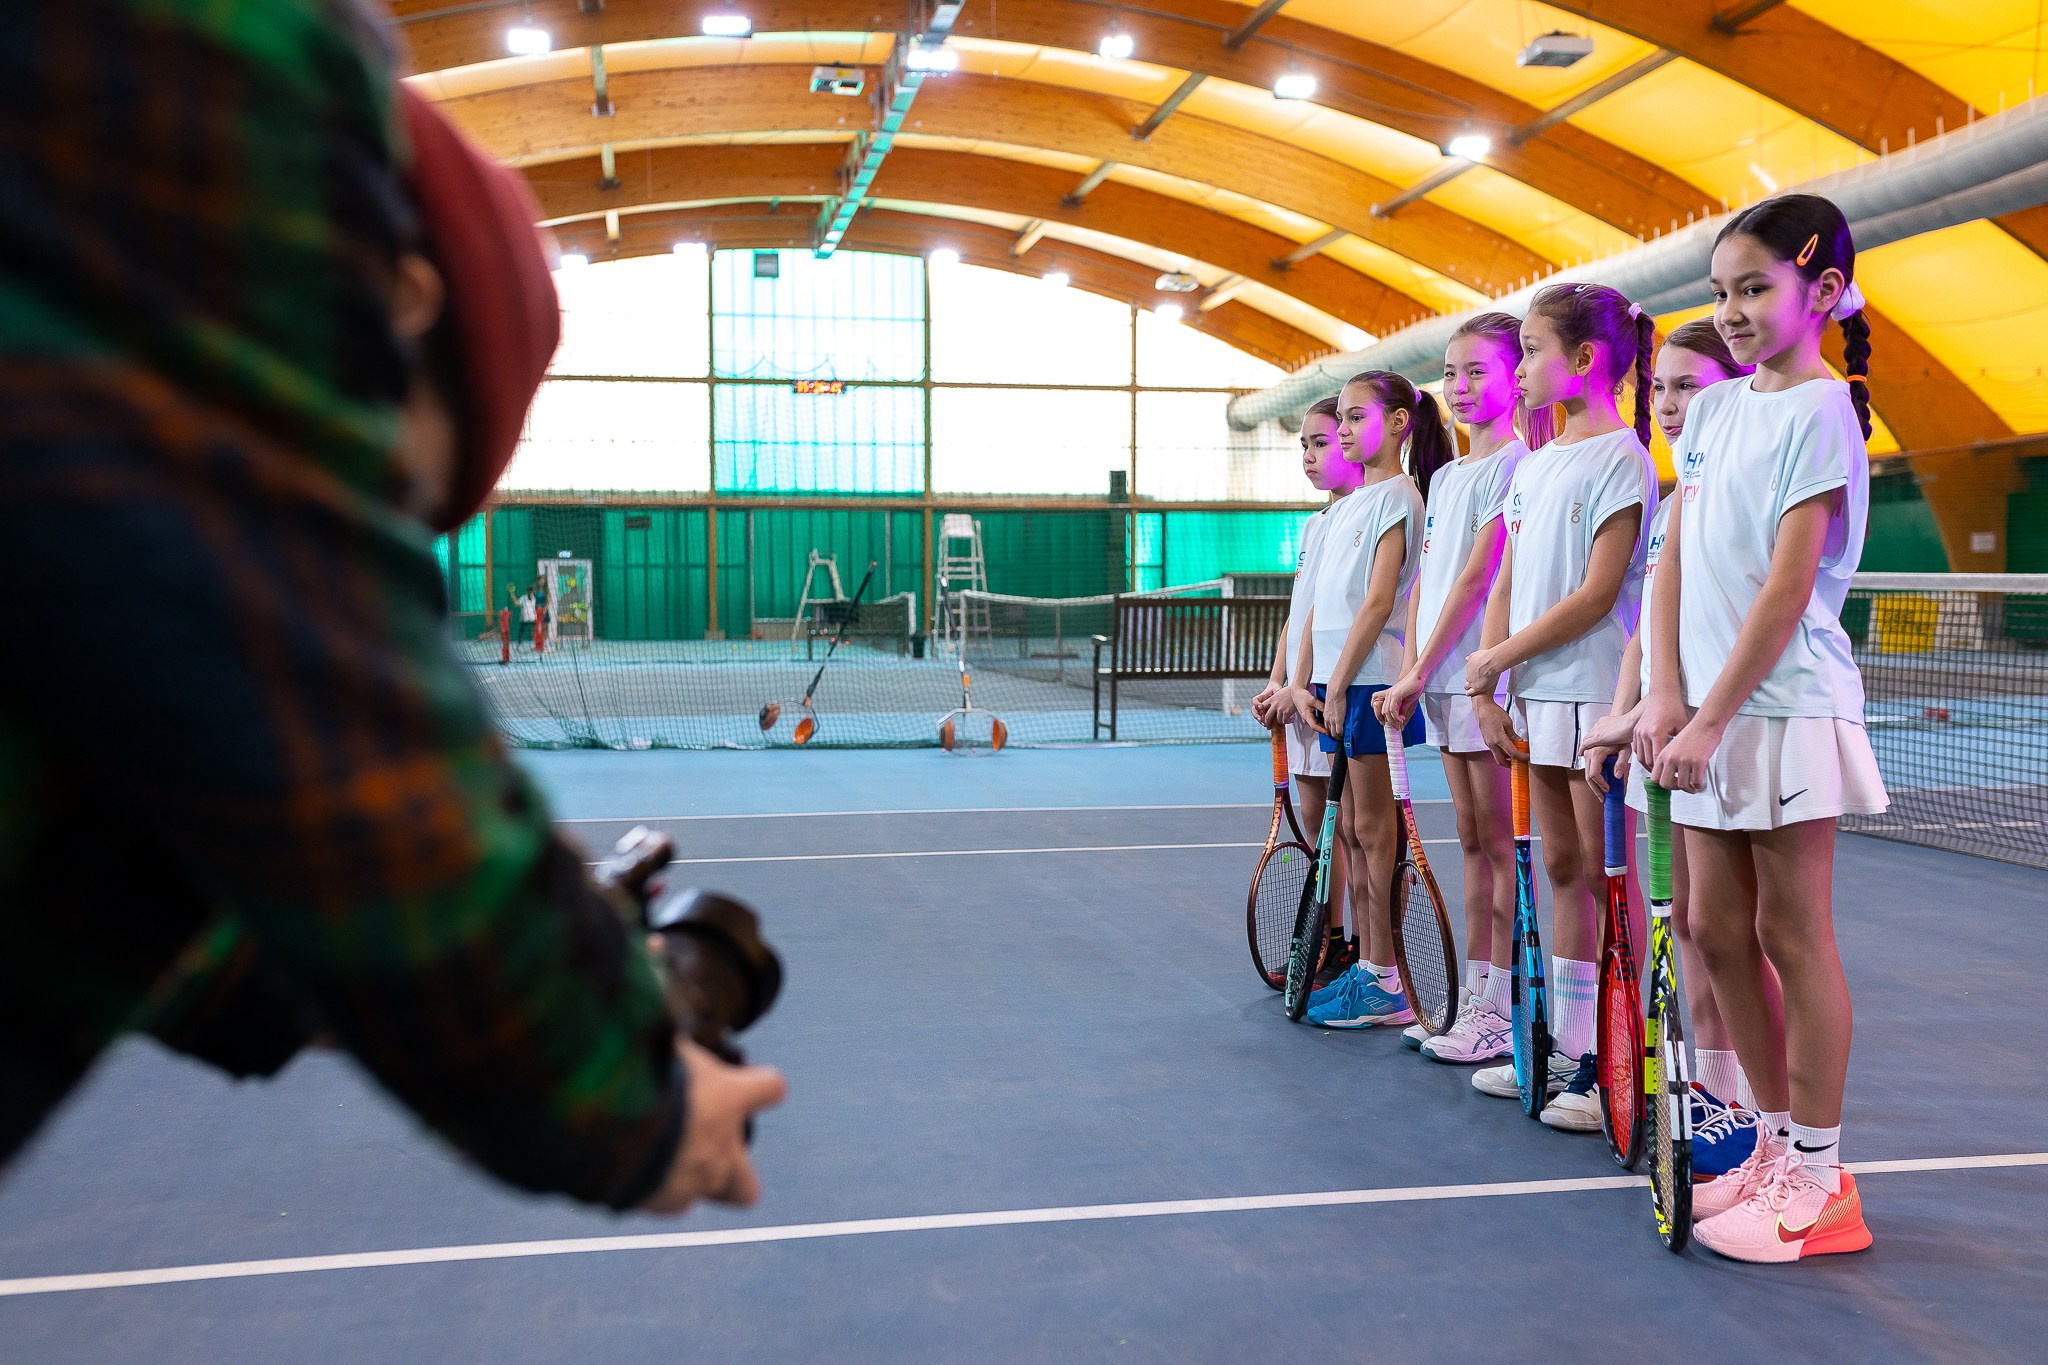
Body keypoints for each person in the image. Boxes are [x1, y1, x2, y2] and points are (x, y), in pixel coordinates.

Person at [0, 1, 782, 1214]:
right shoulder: (216, 113)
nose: (375, 536)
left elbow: (130, 778)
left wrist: (305, 988)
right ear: (401, 298)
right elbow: (318, 724)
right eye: (393, 488)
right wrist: (636, 1096)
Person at [1636, 193, 1884, 1263]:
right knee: (1717, 932)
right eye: (1720, 293)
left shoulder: (1822, 412)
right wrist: (1658, 695)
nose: (1731, 312)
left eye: (1754, 288)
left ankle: (1821, 1184)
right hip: (1700, 716)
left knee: (1791, 934)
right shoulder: (1721, 409)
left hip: (1781, 711)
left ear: (1819, 292)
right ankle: (1774, 1149)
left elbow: (1784, 591)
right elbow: (1674, 557)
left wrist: (1710, 714)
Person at [1580, 320, 1777, 1181]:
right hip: (1657, 739)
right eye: (1660, 389)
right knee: (1692, 927)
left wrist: (1683, 713)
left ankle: (1741, 1103)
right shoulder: (1669, 504)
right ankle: (1709, 1089)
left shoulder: (1732, 491)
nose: (1666, 405)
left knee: (1723, 929)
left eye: (1687, 387)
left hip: (1719, 735)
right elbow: (1642, 635)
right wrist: (1620, 716)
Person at [1462, 283, 1657, 1132]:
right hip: (1536, 699)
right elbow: (1505, 578)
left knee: (1609, 873)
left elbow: (1596, 593)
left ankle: (1626, 1053)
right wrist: (1495, 681)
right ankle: (1573, 1046)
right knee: (1561, 870)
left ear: (1584, 360)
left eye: (1535, 349)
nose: (1524, 366)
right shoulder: (1533, 466)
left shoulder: (1625, 459)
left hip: (1595, 693)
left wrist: (1497, 657)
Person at [1373, 314, 1542, 1062]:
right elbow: (1426, 587)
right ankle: (1477, 994)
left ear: (1516, 377)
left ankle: (1503, 1002)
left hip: (1483, 684)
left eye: (1478, 371)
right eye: (1451, 373)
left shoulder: (1517, 465)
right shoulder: (1442, 477)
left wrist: (1423, 669)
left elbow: (1476, 582)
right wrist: (1410, 668)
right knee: (1472, 841)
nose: (1462, 386)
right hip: (1436, 683)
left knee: (1501, 848)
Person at [1289, 372, 1445, 1030]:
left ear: (1401, 423)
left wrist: (1344, 677)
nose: (1344, 429)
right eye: (1341, 419)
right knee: (1351, 830)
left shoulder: (1401, 498)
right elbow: (1323, 604)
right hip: (1337, 683)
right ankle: (1364, 966)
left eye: (1355, 418)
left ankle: (1386, 979)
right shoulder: (1348, 504)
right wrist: (1307, 680)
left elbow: (1380, 600)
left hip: (1372, 682)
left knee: (1377, 834)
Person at [1254, 397, 1361, 983]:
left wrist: (1303, 685)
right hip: (1298, 691)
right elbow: (1300, 617)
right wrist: (1277, 683)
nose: (1312, 454)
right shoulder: (1316, 524)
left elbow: (1335, 615)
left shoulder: (1362, 516)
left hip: (1326, 693)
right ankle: (1332, 936)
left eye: (1322, 441)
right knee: (1324, 826)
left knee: (1350, 830)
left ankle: (1356, 948)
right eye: (1305, 444)